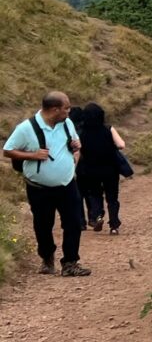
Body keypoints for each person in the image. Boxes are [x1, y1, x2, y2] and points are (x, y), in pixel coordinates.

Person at [2, 91, 91, 277]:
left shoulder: (66, 123)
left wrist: (76, 152)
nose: (69, 112)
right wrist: (32, 155)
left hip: (67, 184)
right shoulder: (26, 128)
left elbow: (76, 142)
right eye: (66, 108)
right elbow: (8, 150)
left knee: (74, 223)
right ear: (54, 109)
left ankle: (70, 263)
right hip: (39, 188)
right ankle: (47, 258)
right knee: (43, 225)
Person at [76, 103, 126, 236]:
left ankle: (98, 216)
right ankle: (114, 226)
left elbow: (77, 152)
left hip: (90, 169)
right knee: (112, 198)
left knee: (95, 195)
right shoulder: (108, 129)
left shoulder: (80, 132)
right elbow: (121, 145)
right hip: (110, 169)